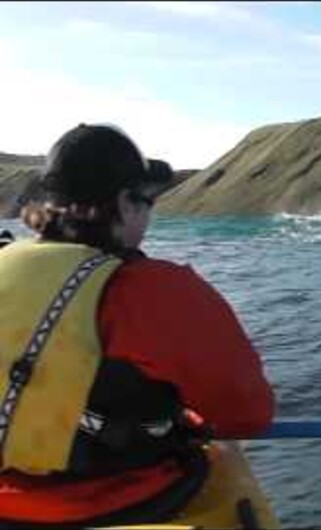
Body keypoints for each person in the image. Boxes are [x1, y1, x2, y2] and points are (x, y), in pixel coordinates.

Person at [0, 123, 278, 527]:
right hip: (124, 500)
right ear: (124, 203)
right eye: (146, 202)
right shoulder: (154, 291)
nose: (148, 215)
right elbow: (248, 414)